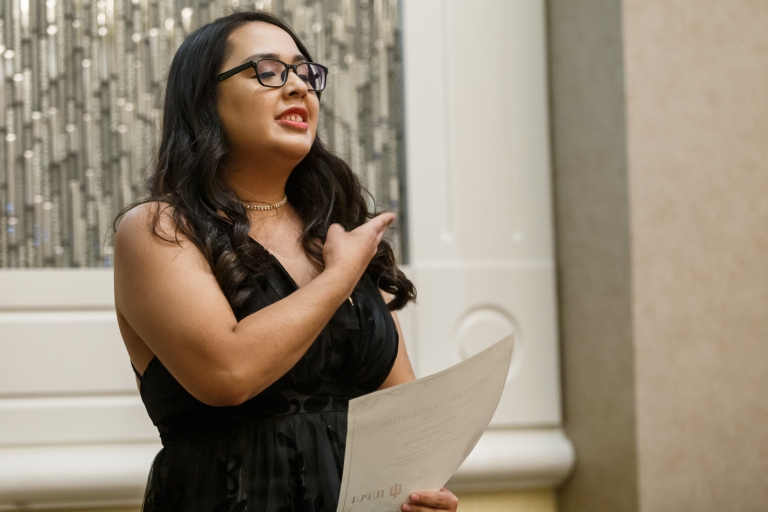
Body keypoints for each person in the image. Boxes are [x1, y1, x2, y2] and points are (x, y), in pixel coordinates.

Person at [113, 10, 459, 512]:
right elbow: (227, 375)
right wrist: (340, 276)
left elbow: (402, 418)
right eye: (267, 71)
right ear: (204, 99)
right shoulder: (159, 229)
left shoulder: (333, 231)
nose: (297, 86)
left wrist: (424, 493)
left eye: (304, 71)